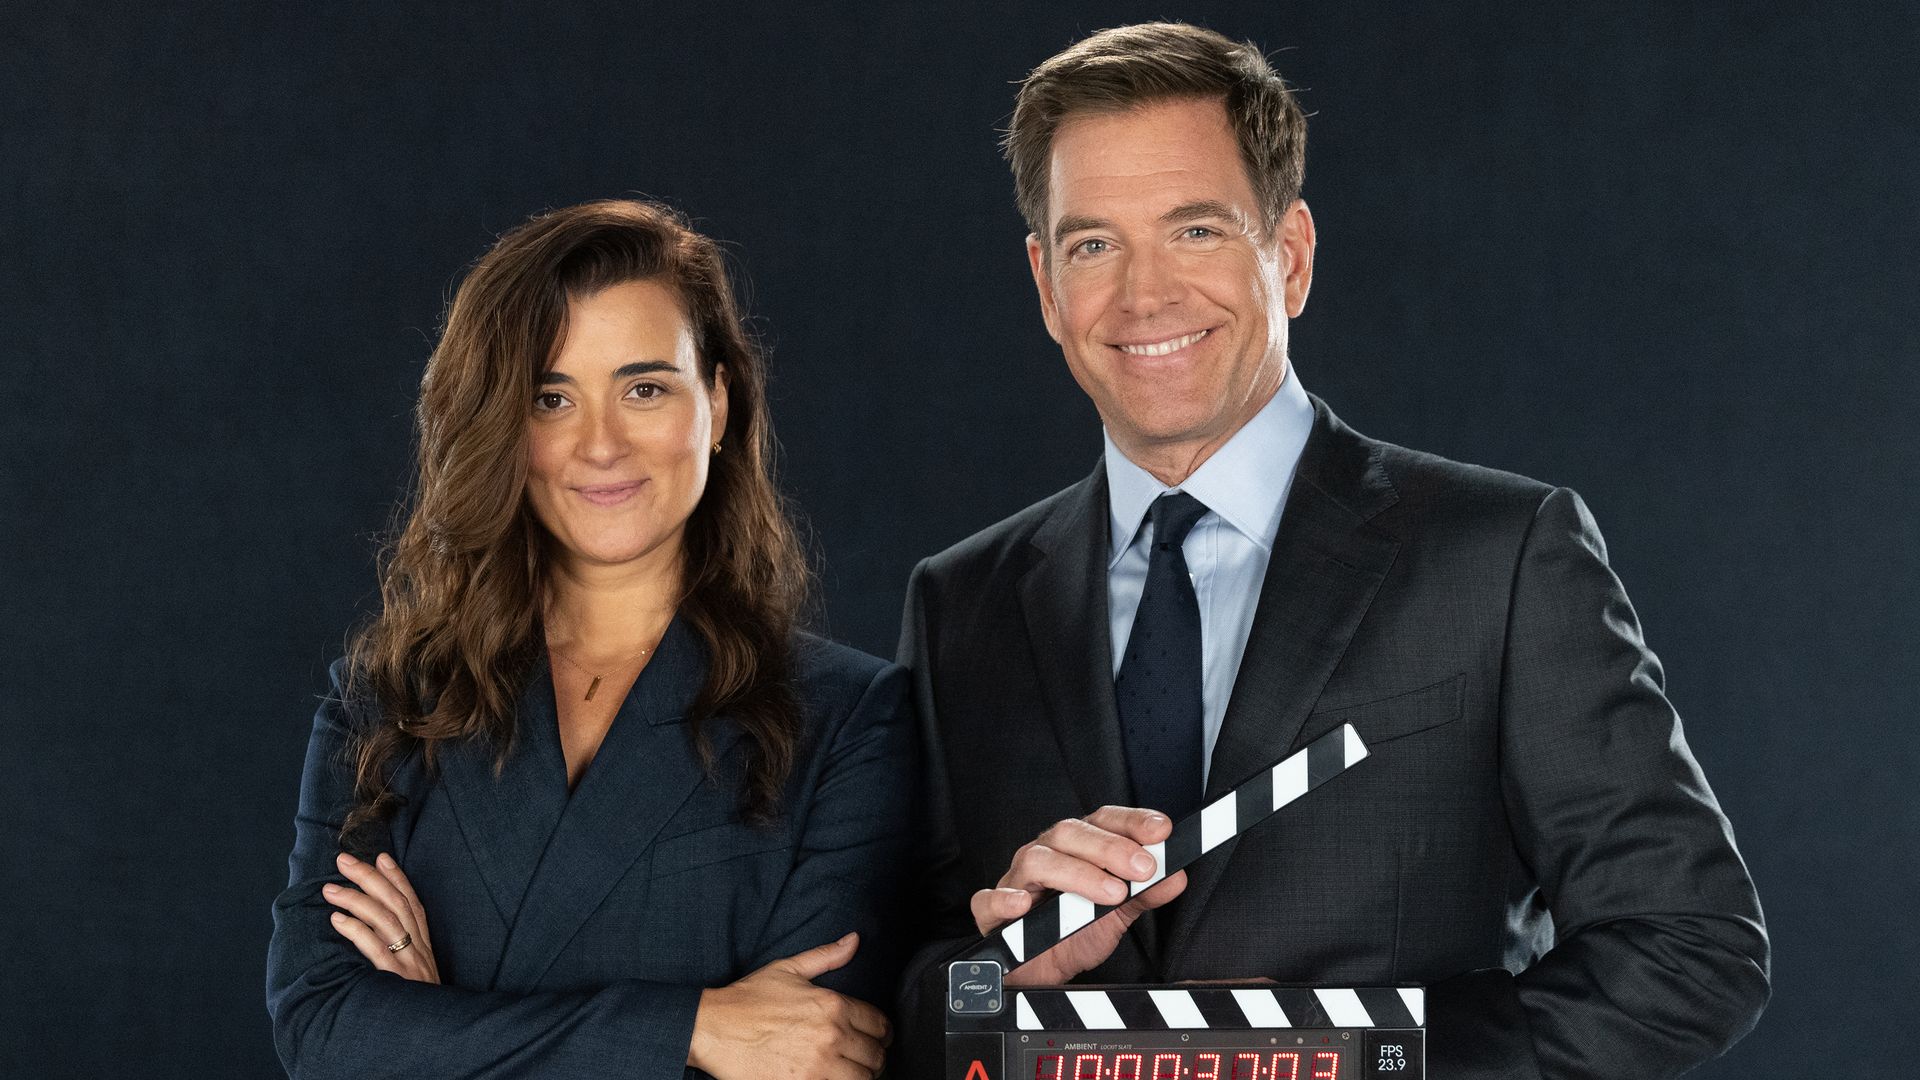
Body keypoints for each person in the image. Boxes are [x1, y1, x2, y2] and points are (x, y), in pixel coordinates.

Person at [898, 22, 1767, 1080]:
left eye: (1196, 230)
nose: (1143, 295)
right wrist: (1000, 979)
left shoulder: (1498, 558)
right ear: (1045, 284)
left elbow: (1690, 948)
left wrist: (1349, 1060)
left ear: (1291, 255)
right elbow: (914, 999)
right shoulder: (963, 603)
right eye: (1093, 245)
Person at [267, 199, 910, 1080]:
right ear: (502, 424)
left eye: (645, 389)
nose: (600, 445)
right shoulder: (386, 701)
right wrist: (691, 1029)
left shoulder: (847, 719)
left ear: (718, 402)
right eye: (551, 398)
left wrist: (436, 1033)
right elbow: (322, 1029)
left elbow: (812, 1057)